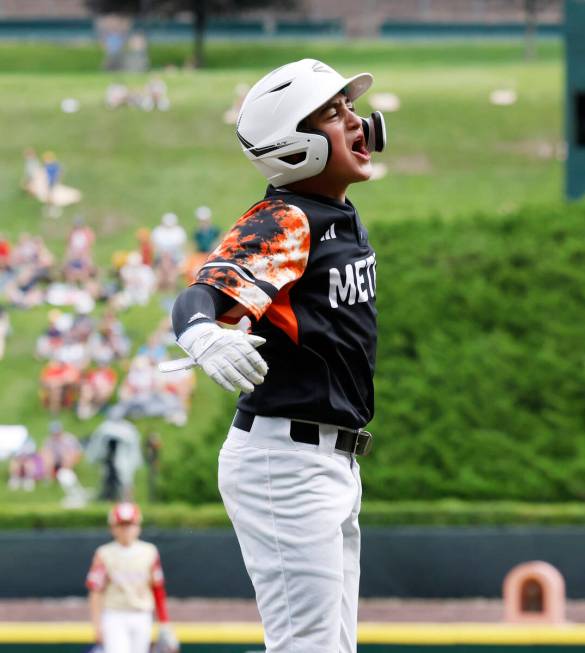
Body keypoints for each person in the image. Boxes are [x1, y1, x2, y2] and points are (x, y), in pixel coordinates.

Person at [162, 59, 386, 653]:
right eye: (334, 113)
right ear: (297, 146)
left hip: (328, 460)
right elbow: (199, 296)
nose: (358, 122)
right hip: (287, 461)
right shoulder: (287, 216)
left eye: (349, 108)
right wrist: (203, 333)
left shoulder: (335, 214)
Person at [85, 502, 178, 653]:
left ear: (138, 526)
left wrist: (164, 622)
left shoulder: (149, 552)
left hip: (142, 614)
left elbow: (157, 588)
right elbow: (96, 591)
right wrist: (97, 625)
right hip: (115, 615)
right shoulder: (104, 554)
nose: (126, 529)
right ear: (113, 527)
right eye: (121, 525)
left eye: (130, 524)